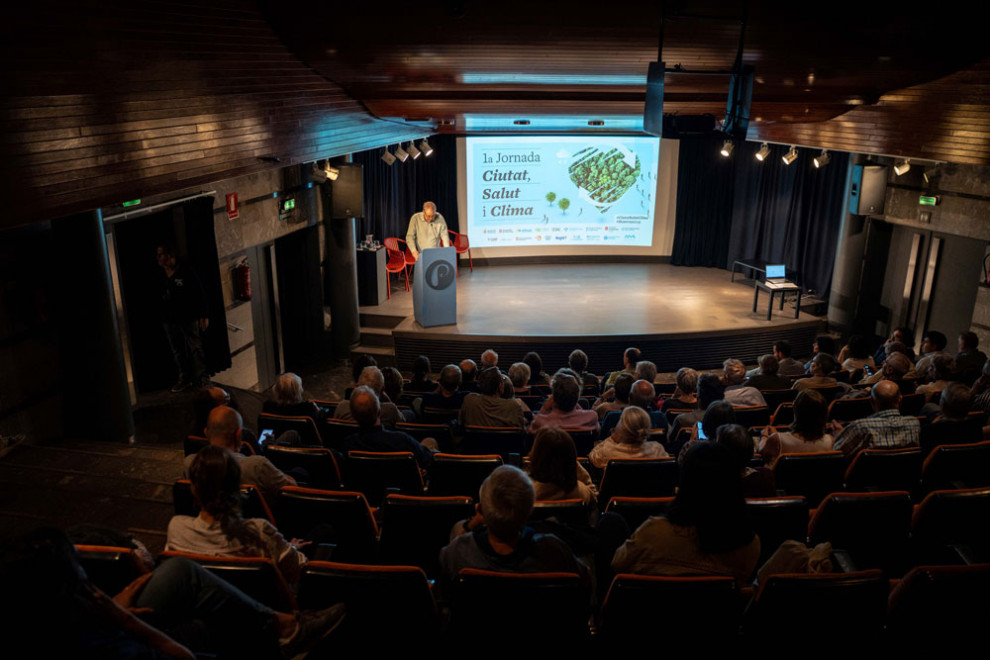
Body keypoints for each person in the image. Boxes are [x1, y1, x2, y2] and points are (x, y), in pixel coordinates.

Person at [0, 527, 344, 660]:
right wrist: (120, 617)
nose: (89, 585)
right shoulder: (104, 649)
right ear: (62, 591)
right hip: (146, 642)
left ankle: (284, 630)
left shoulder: (177, 525)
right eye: (81, 577)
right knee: (185, 582)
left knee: (197, 605)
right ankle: (288, 630)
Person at [611, 442, 760, 583]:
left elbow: (617, 564)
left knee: (611, 522)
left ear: (685, 482)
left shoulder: (653, 532)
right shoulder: (750, 545)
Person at [169, 446, 309, 583]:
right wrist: (290, 549)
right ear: (238, 487)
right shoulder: (259, 531)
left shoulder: (176, 528)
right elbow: (298, 570)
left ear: (193, 489)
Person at [439, 465, 589, 580]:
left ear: (481, 510)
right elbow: (585, 579)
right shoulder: (554, 551)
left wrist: (469, 525)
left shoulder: (455, 553)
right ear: (529, 511)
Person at [184, 406, 296, 503]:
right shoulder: (257, 465)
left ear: (206, 433)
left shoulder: (189, 463)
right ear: (238, 435)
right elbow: (291, 490)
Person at [157, 243, 209, 392]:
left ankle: (202, 379)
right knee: (177, 351)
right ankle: (185, 378)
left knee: (195, 348)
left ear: (170, 255)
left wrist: (203, 315)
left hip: (188, 316)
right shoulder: (161, 275)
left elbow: (199, 292)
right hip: (169, 319)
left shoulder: (185, 271)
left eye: (162, 255)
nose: (160, 259)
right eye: (159, 255)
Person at [343, 386, 436, 468]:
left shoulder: (348, 444)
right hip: (402, 486)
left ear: (353, 415)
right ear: (379, 411)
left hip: (362, 487)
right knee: (430, 441)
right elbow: (429, 459)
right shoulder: (401, 440)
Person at [830, 380, 920, 458]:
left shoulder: (861, 427)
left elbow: (836, 455)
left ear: (871, 401)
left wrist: (839, 435)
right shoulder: (914, 423)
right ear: (900, 399)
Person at [759, 389, 834, 467]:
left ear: (796, 412)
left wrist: (764, 436)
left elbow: (762, 453)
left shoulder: (777, 439)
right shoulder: (830, 441)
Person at [527, 427, 597, 506]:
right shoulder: (582, 493)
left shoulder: (525, 494)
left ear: (536, 457)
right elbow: (593, 495)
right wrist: (571, 463)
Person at [589, 405, 668, 469]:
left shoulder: (608, 451)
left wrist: (611, 439)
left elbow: (593, 456)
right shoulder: (657, 449)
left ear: (622, 427)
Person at [528, 372, 600, 434]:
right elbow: (597, 433)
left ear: (554, 398)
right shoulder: (591, 417)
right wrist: (574, 401)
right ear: (577, 396)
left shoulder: (540, 421)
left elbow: (531, 431)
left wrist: (545, 407)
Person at [333, 366, 402, 428]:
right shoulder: (390, 410)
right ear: (383, 389)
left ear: (357, 386)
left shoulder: (342, 407)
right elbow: (403, 425)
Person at [458, 367, 527, 429]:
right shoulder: (513, 406)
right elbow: (521, 430)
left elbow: (460, 424)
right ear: (500, 386)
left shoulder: (469, 400)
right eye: (502, 380)